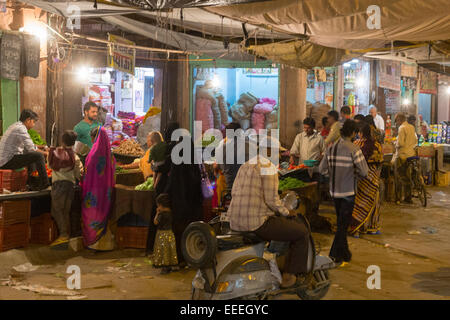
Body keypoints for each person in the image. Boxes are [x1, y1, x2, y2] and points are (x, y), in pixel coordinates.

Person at [227, 138, 310, 289]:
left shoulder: (246, 165)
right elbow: (272, 200)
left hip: (234, 220)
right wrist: (287, 212)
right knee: (301, 233)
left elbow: (234, 191)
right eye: (278, 153)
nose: (279, 157)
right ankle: (289, 276)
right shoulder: (268, 167)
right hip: (256, 223)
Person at [319, 120, 368, 265]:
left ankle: (345, 253)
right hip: (348, 192)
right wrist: (353, 174)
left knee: (341, 222)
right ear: (353, 133)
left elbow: (322, 170)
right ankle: (334, 254)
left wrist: (333, 174)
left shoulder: (331, 148)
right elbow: (364, 172)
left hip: (334, 192)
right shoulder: (354, 149)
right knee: (342, 226)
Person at [81, 127, 116, 250]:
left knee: (92, 215)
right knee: (104, 214)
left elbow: (87, 172)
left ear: (94, 138)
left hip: (93, 191)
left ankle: (92, 243)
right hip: (106, 192)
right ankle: (105, 245)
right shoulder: (110, 154)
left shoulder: (93, 154)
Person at [48, 130, 83, 246]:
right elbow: (79, 174)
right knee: (66, 211)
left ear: (62, 141)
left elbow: (48, 166)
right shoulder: (75, 157)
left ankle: (63, 235)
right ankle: (65, 234)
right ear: (74, 142)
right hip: (70, 186)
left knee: (57, 211)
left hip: (58, 185)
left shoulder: (55, 153)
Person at [0, 109, 50, 191]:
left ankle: (31, 183)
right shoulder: (21, 129)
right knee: (38, 156)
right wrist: (46, 154)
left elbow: (29, 146)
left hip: (6, 159)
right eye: (33, 122)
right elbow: (31, 148)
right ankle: (45, 183)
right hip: (6, 161)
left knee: (32, 155)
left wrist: (43, 147)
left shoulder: (16, 126)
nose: (33, 125)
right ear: (28, 120)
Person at [350, 123, 383, 237]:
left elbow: (353, 160)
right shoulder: (378, 145)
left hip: (360, 177)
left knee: (359, 203)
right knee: (373, 202)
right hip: (373, 178)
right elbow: (380, 161)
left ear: (361, 133)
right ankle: (372, 228)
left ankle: (357, 229)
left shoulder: (356, 144)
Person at [215, 122, 250, 189]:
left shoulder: (221, 145)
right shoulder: (247, 146)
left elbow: (217, 166)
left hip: (226, 184)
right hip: (244, 185)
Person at [289, 117, 325, 182]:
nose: (306, 130)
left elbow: (324, 152)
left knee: (314, 188)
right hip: (302, 169)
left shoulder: (319, 138)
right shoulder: (299, 136)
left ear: (313, 128)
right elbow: (294, 150)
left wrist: (320, 158)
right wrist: (292, 157)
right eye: (305, 127)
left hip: (315, 169)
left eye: (308, 128)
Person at [393, 113, 417, 204]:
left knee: (398, 176)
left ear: (399, 120)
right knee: (408, 176)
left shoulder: (402, 128)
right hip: (411, 154)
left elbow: (401, 143)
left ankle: (398, 198)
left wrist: (395, 143)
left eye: (396, 121)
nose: (397, 123)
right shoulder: (411, 127)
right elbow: (415, 141)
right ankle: (408, 197)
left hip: (403, 155)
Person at [152, 193, 178, 274]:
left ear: (161, 205)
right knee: (169, 250)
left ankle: (165, 267)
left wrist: (157, 213)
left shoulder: (161, 214)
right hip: (170, 234)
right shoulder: (171, 212)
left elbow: (155, 222)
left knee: (163, 251)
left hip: (162, 235)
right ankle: (169, 266)